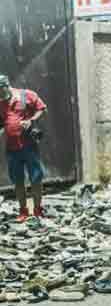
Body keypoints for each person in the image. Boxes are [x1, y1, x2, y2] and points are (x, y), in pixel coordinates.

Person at [0, 75, 47, 223]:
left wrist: (31, 120)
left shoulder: (26, 95)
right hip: (12, 148)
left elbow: (42, 108)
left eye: (1, 91)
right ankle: (23, 211)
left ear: (6, 86)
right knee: (18, 181)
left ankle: (38, 209)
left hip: (29, 146)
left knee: (36, 178)